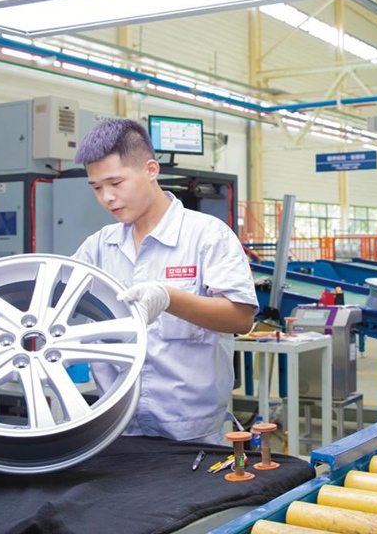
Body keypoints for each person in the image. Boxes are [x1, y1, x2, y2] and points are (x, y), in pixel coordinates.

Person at [71, 118, 257, 444]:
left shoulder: (206, 236)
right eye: (97, 188)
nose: (107, 198)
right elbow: (53, 297)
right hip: (119, 428)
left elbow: (240, 318)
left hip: (193, 433)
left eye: (116, 183)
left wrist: (170, 298)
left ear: (151, 170)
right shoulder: (99, 246)